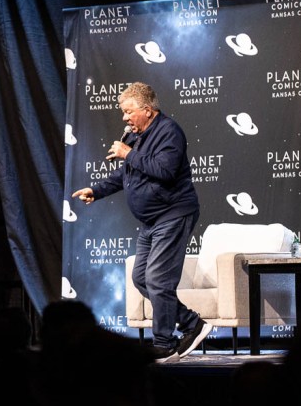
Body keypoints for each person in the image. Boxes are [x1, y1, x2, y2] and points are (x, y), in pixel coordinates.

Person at [69, 81, 210, 363]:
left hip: (173, 213)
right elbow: (126, 175)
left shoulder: (169, 132)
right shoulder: (138, 136)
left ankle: (164, 342)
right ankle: (191, 322)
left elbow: (165, 170)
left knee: (158, 278)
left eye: (128, 111)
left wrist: (128, 153)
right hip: (151, 221)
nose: (124, 117)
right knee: (141, 278)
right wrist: (96, 191)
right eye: (123, 112)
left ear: (147, 110)